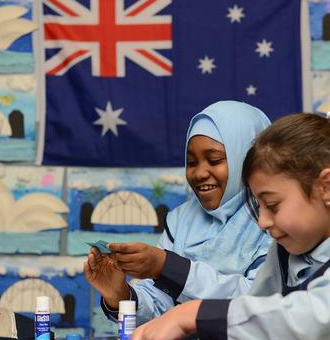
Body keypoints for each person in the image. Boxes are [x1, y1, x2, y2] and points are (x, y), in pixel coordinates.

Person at [132, 100, 330, 340]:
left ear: (328, 188)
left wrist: (195, 314)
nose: (263, 222)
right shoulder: (287, 252)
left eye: (272, 205)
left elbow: (315, 321)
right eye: (258, 207)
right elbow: (253, 318)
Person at [84, 100, 273, 326]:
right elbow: (161, 305)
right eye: (191, 162)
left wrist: (168, 268)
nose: (199, 173)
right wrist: (121, 296)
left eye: (214, 160)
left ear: (248, 159)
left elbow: (259, 304)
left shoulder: (274, 219)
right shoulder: (181, 220)